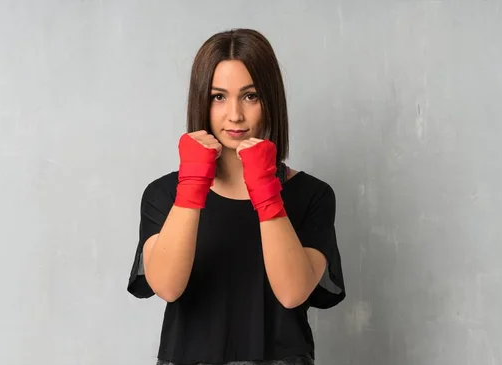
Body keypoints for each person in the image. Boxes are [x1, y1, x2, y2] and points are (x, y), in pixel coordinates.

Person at [127, 28, 346, 365]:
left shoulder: (311, 195)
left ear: (270, 100)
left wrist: (264, 185)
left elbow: (291, 293)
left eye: (250, 96)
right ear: (202, 100)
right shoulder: (163, 195)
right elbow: (167, 287)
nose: (234, 115)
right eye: (218, 97)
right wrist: (191, 185)